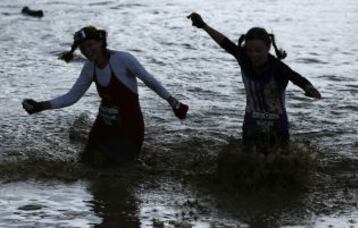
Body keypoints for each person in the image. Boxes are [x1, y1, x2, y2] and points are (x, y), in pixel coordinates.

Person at [22, 26, 188, 166]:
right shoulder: (89, 68)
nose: (87, 51)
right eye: (83, 48)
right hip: (103, 126)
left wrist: (174, 103)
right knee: (86, 165)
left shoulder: (123, 59)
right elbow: (72, 97)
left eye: (90, 45)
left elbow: (150, 81)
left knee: (123, 172)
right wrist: (40, 106)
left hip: (129, 127)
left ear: (101, 42)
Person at [188, 13, 321, 153]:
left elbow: (296, 78)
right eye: (250, 50)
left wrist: (308, 87)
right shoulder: (243, 58)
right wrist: (203, 26)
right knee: (248, 161)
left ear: (268, 47)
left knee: (280, 161)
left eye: (258, 51)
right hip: (252, 122)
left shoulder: (277, 67)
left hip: (277, 123)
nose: (253, 55)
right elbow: (225, 43)